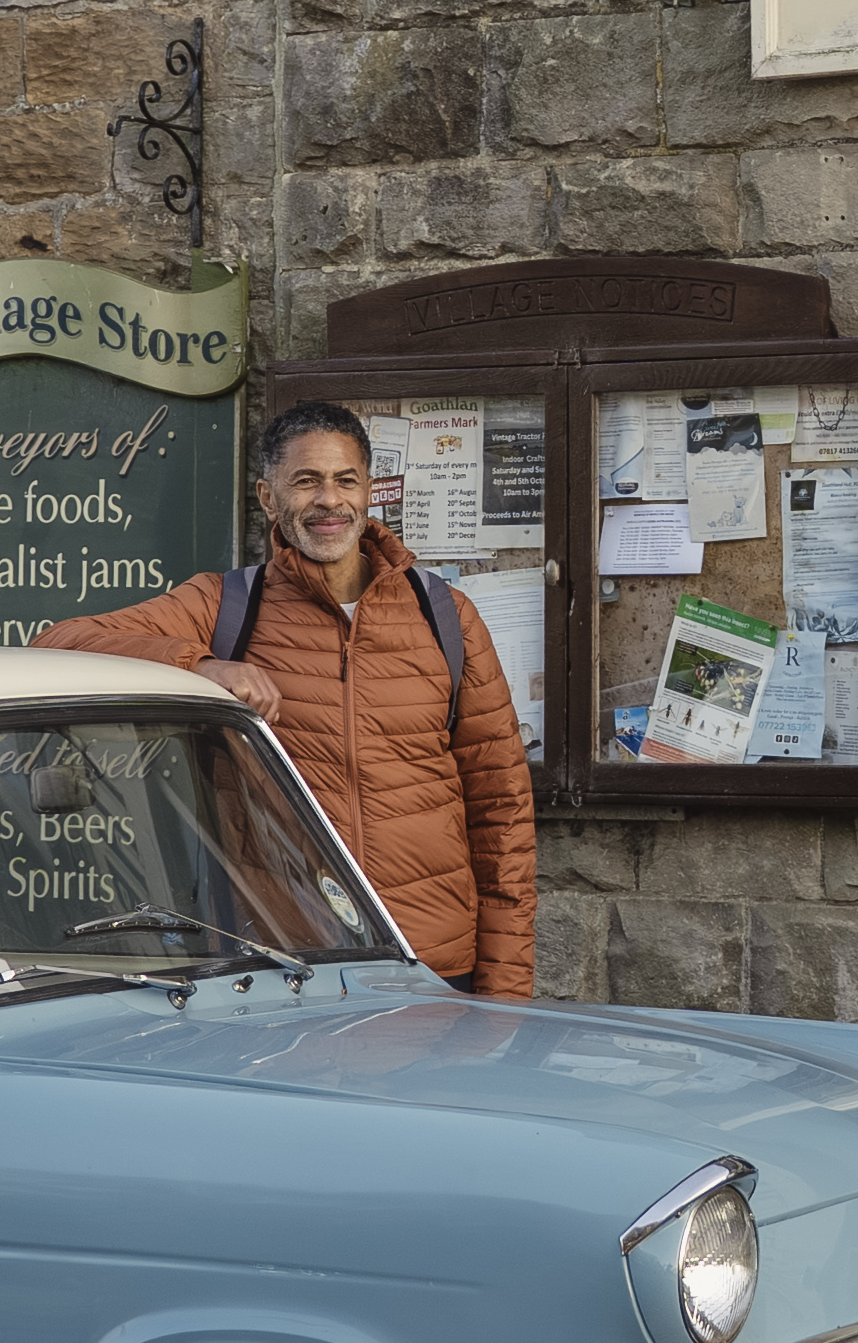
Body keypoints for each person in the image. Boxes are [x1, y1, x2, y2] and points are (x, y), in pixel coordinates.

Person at [43, 399, 535, 997]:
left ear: (371, 489)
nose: (329, 500)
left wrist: (506, 990)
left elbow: (501, 811)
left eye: (345, 480)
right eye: (306, 481)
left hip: (432, 963)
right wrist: (201, 665)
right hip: (288, 964)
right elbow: (60, 641)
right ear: (268, 498)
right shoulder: (228, 607)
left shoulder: (445, 616)